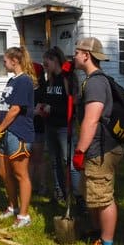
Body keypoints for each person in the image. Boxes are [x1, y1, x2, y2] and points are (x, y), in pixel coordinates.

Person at [72, 37, 124, 245]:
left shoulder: (95, 82)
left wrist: (80, 150)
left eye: (77, 52)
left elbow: (91, 119)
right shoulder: (91, 80)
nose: (74, 56)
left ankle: (107, 243)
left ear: (86, 55)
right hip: (95, 148)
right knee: (91, 192)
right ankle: (98, 232)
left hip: (99, 149)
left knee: (103, 197)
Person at [0, 46, 36, 229]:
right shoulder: (11, 80)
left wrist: (1, 128)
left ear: (14, 61)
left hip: (18, 133)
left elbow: (16, 109)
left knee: (20, 174)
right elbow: (4, 105)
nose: (3, 63)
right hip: (4, 132)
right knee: (4, 172)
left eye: (5, 60)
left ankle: (24, 216)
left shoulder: (24, 81)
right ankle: (12, 206)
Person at [41, 47, 82, 207]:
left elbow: (72, 105)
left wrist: (53, 109)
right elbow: (47, 99)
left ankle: (79, 198)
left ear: (56, 60)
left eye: (47, 62)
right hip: (50, 126)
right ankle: (60, 193)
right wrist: (42, 107)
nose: (45, 65)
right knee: (55, 161)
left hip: (65, 127)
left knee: (69, 162)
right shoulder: (49, 80)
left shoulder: (66, 78)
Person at [30, 62, 48, 198]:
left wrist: (31, 111)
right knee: (29, 158)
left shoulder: (42, 90)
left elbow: (40, 111)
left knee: (38, 157)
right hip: (27, 127)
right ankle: (30, 185)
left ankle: (42, 185)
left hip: (38, 127)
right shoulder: (27, 89)